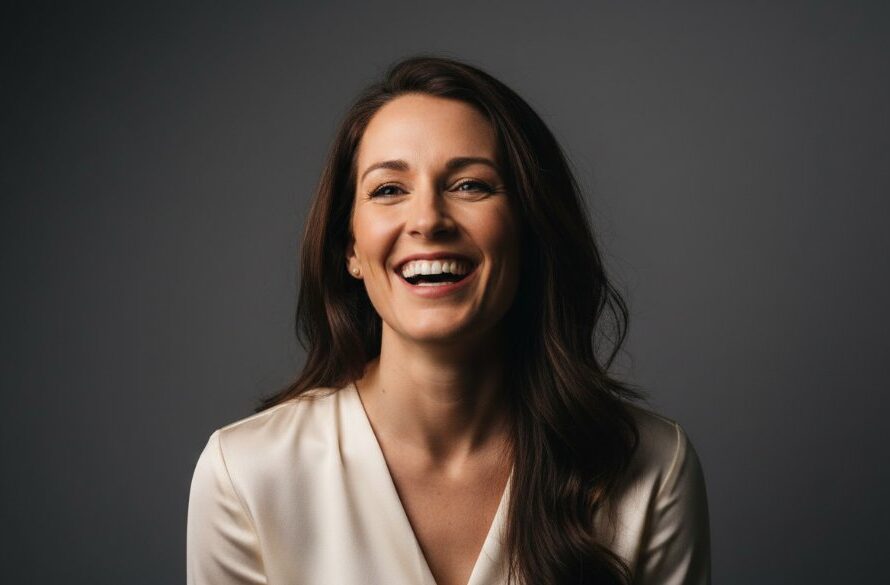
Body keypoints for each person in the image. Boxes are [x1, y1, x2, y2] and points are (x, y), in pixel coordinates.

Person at [186, 56, 710, 585]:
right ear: (350, 245)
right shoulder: (246, 476)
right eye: (389, 189)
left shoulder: (650, 469)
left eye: (470, 185)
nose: (428, 220)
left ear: (529, 229)